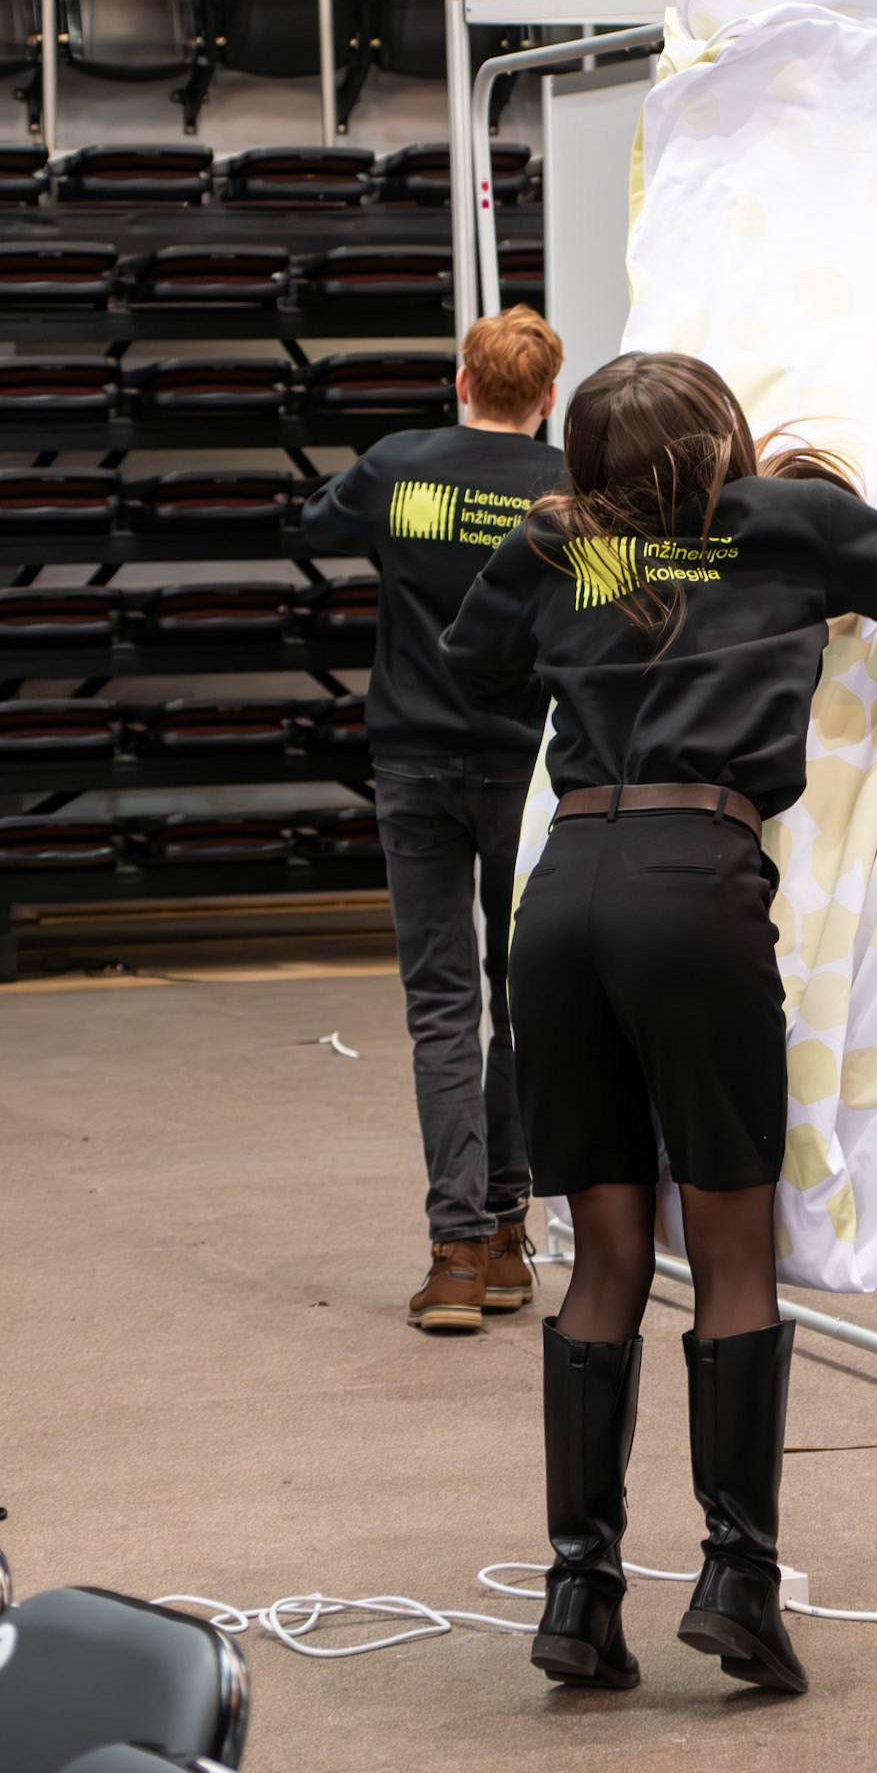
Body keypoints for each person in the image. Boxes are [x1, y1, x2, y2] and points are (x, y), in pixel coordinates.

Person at [441, 350, 877, 1698]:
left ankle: (579, 1594)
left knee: (603, 1253)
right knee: (731, 1249)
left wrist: (602, 594)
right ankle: (737, 1581)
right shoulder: (788, 526)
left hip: (562, 903)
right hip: (695, 889)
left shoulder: (562, 547)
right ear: (723, 433)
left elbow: (472, 664)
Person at [300, 305, 566, 1334]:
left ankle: (455, 1254)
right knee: (524, 994)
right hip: (526, 765)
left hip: (413, 758)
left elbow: (318, 525)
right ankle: (504, 1232)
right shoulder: (567, 491)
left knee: (442, 1002)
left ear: (462, 381)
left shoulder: (400, 465)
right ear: (548, 396)